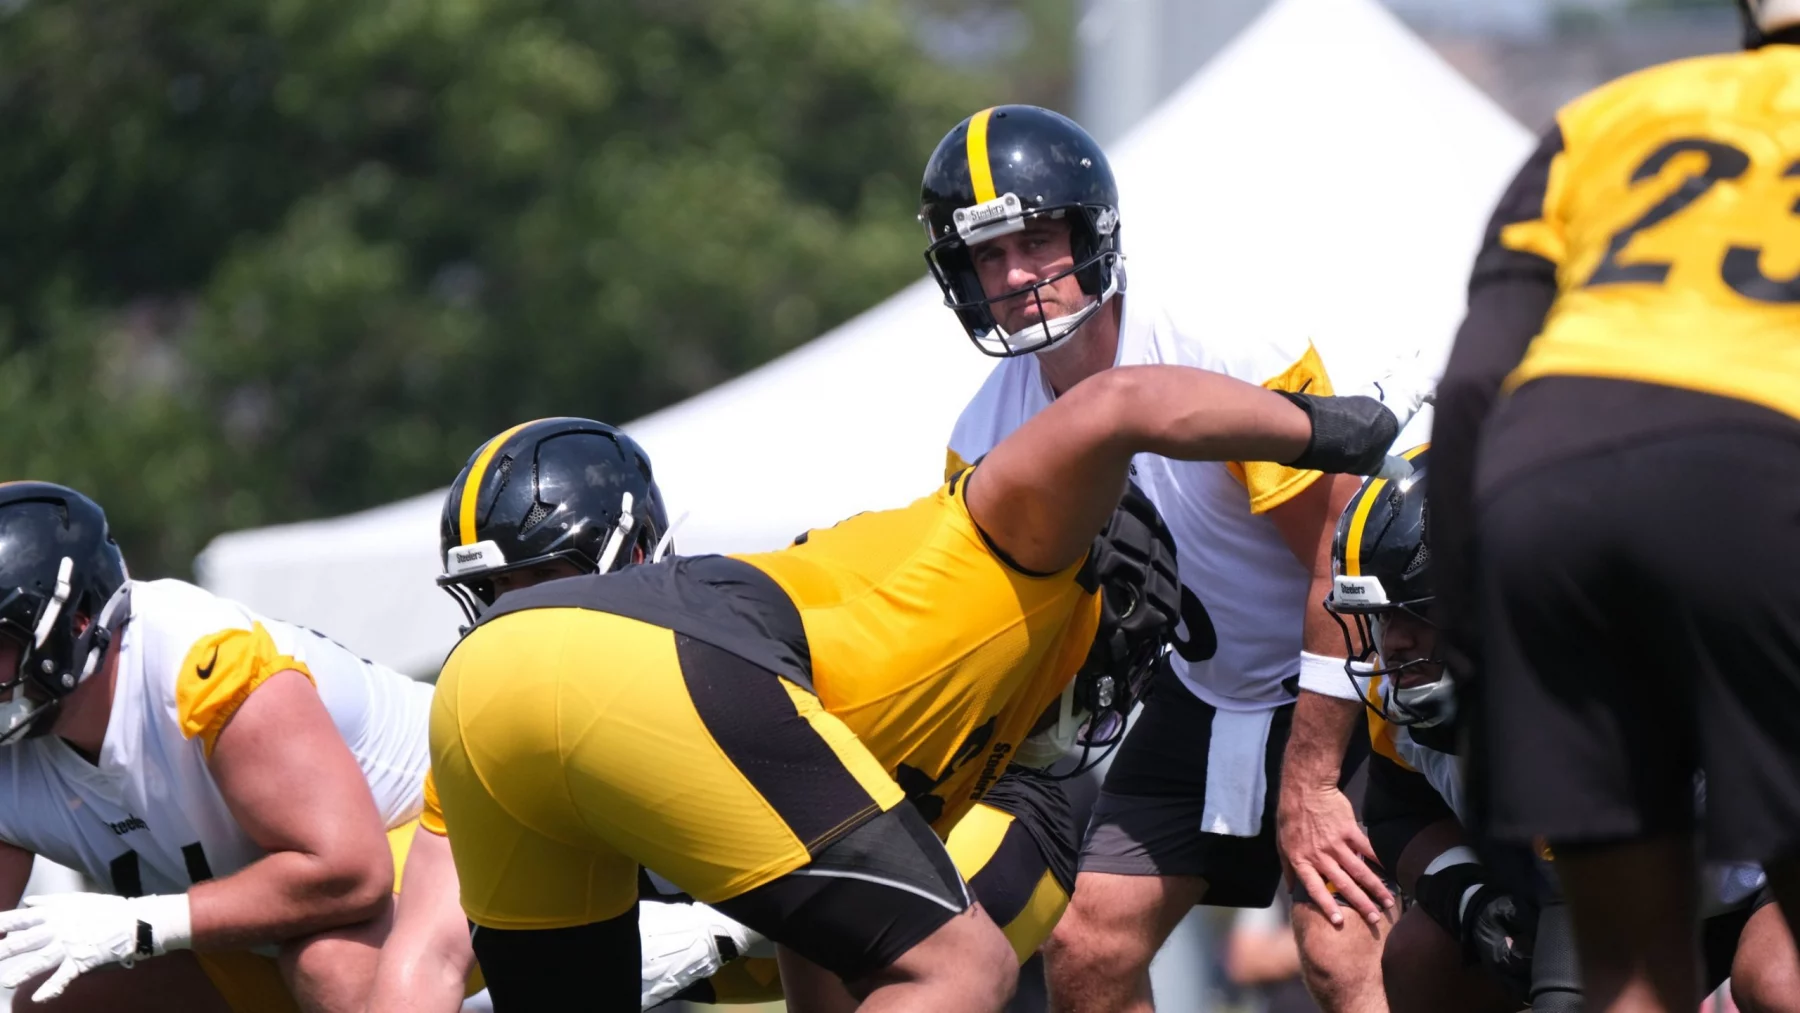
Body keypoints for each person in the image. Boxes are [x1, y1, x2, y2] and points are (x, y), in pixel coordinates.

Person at [428, 361, 1410, 1012]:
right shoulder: (1015, 546)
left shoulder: (938, 710)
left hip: (478, 691)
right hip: (650, 661)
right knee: (967, 959)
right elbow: (1118, 406)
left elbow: (837, 951)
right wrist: (1331, 427)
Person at [921, 104, 1412, 1013]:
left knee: (1342, 946)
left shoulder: (1224, 344)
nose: (1018, 275)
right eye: (989, 256)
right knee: (1088, 941)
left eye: (1035, 239)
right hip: (1207, 689)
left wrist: (1308, 778)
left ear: (1092, 231)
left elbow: (1344, 564)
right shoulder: (981, 436)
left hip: (1353, 675)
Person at [366, 418, 1084, 1012]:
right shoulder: (532, 695)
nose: (519, 616)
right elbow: (428, 950)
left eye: (541, 583)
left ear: (638, 553)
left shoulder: (697, 659)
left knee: (945, 963)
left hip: (942, 819)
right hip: (751, 917)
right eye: (493, 593)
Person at [1430, 2, 1800, 1010]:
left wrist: (1478, 668)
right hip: (1770, 477)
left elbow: (1468, 395)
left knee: (1629, 972)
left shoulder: (1607, 117)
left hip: (1549, 494)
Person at [1328, 448, 1800, 1013]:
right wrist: (1472, 902)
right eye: (1381, 617)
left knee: (1778, 982)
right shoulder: (1403, 696)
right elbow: (1398, 813)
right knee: (1423, 954)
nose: (1393, 642)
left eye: (1413, 612)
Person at [0, 482, 432, 1013]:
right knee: (47, 999)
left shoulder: (203, 665)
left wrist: (140, 924)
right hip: (267, 915)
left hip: (441, 831)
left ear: (78, 620)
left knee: (330, 964)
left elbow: (353, 875)